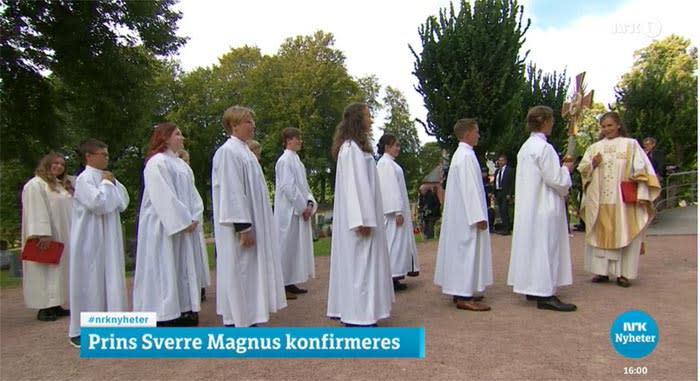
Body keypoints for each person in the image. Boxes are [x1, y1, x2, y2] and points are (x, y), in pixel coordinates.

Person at [212, 106, 286, 327]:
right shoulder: (228, 152)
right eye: (247, 122)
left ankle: (251, 315)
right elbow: (232, 191)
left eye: (252, 121)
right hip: (240, 226)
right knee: (241, 270)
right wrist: (243, 227)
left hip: (253, 223)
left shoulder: (245, 152)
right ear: (233, 126)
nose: (252, 125)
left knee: (251, 272)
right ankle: (237, 319)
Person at [133, 124, 207, 327]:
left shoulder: (182, 165)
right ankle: (162, 314)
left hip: (184, 227)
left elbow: (193, 195)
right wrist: (182, 220)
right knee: (163, 268)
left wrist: (194, 217)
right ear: (165, 138)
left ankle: (184, 309)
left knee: (182, 268)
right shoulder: (156, 163)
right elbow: (163, 195)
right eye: (177, 134)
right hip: (163, 227)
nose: (182, 138)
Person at [327, 102, 394, 327]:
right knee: (360, 268)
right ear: (358, 119)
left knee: (362, 267)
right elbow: (355, 188)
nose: (371, 120)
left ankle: (363, 312)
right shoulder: (351, 150)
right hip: (360, 221)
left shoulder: (355, 148)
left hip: (364, 217)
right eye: (368, 116)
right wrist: (362, 220)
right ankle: (358, 317)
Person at [507, 105, 577, 312]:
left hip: (529, 207)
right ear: (545, 122)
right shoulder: (544, 149)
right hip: (544, 206)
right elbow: (556, 179)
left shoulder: (526, 147)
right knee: (546, 248)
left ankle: (532, 286)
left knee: (532, 248)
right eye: (551, 121)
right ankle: (545, 293)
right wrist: (567, 169)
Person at [578, 112, 660, 288]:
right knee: (600, 236)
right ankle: (601, 272)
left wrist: (642, 189)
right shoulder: (594, 148)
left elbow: (642, 167)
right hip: (600, 200)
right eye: (603, 126)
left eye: (609, 125)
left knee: (625, 233)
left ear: (618, 125)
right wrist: (592, 164)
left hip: (623, 201)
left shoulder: (631, 145)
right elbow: (583, 169)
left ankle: (624, 274)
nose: (606, 129)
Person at [68, 139, 130, 348]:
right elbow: (98, 204)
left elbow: (122, 203)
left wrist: (111, 183)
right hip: (90, 237)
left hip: (109, 236)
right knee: (90, 280)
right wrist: (106, 184)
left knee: (111, 277)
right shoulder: (84, 179)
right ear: (89, 156)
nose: (106, 157)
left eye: (107, 153)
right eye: (102, 154)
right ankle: (82, 329)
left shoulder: (107, 176)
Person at [434, 118, 492, 311]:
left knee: (461, 253)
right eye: (476, 131)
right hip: (467, 217)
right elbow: (470, 189)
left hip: (461, 215)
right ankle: (463, 295)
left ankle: (461, 289)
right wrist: (478, 216)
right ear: (467, 133)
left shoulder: (461, 155)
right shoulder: (465, 157)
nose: (478, 135)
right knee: (465, 253)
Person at [21, 152, 73, 321]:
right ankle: (44, 307)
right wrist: (42, 233)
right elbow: (36, 209)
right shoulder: (36, 185)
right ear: (47, 164)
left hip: (62, 234)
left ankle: (56, 304)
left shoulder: (59, 185)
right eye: (55, 163)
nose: (59, 166)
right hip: (46, 236)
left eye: (62, 164)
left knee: (58, 270)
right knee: (45, 270)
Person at [274, 127, 317, 299]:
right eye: (297, 138)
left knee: (294, 248)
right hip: (289, 212)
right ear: (288, 140)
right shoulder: (284, 161)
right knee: (286, 247)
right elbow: (288, 187)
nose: (300, 141)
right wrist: (301, 207)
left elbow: (304, 187)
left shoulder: (297, 161)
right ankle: (282, 285)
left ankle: (290, 281)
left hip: (299, 211)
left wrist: (309, 203)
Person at [376, 134, 420, 291]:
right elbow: (389, 189)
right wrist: (396, 211)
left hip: (397, 212)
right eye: (396, 145)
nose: (398, 148)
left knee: (397, 244)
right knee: (393, 243)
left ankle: (396, 275)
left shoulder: (389, 164)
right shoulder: (385, 164)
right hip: (392, 214)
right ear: (387, 147)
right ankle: (391, 276)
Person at [177, 149, 210, 303]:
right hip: (182, 225)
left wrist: (195, 217)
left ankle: (198, 288)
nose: (187, 164)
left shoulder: (187, 175)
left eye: (188, 161)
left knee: (197, 259)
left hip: (193, 224)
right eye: (185, 160)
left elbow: (196, 200)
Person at [493, 154, 515, 235]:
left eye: (502, 160)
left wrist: (510, 193)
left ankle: (507, 228)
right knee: (500, 211)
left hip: (505, 192)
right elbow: (495, 182)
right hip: (498, 192)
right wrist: (494, 193)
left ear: (505, 161)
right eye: (499, 160)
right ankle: (503, 227)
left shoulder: (509, 170)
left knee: (504, 210)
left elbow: (511, 183)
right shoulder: (497, 171)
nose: (500, 162)